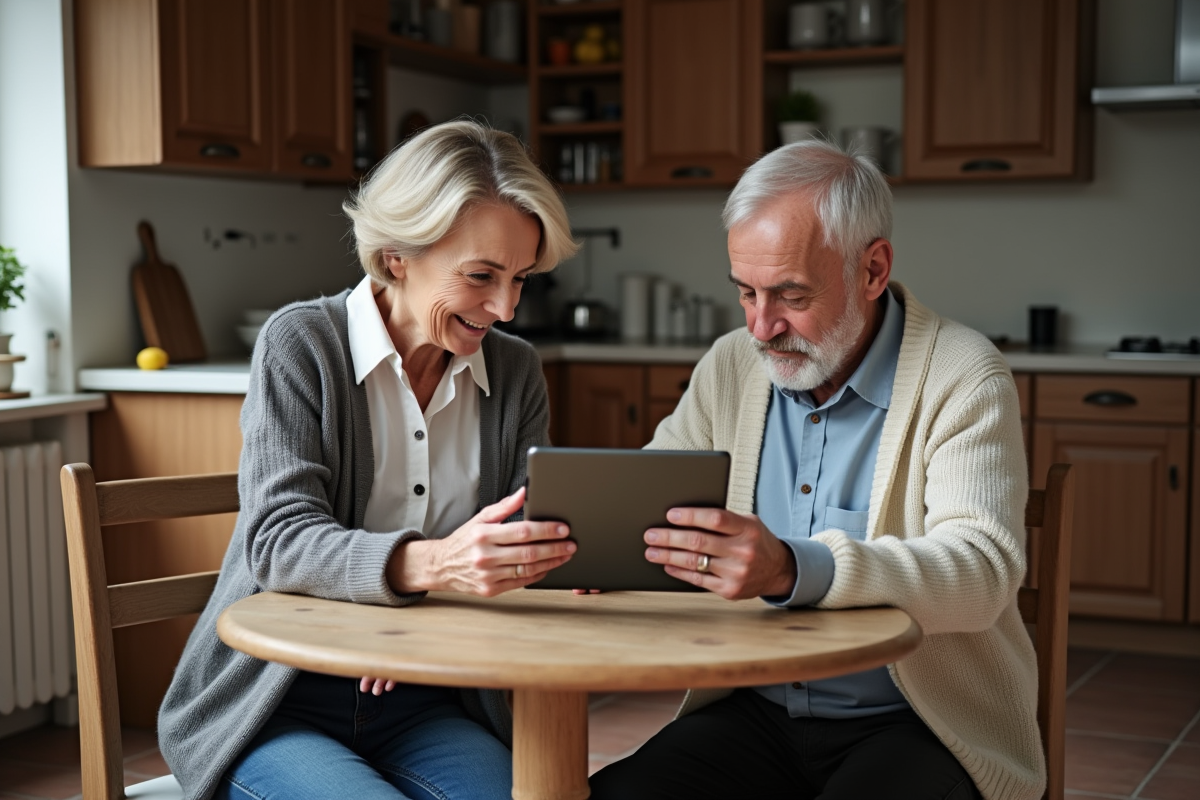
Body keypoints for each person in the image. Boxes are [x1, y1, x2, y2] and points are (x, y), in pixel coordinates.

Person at [589, 140, 1042, 800]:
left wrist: (794, 567)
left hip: (919, 726)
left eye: (790, 295)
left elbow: (982, 569)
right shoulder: (732, 364)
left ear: (873, 270)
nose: (761, 327)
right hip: (752, 712)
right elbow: (655, 491)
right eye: (745, 292)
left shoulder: (963, 375)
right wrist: (607, 543)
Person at [158, 120, 579, 800]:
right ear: (396, 256)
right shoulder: (303, 345)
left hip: (431, 696)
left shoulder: (515, 370)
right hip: (275, 702)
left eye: (521, 280)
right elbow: (278, 540)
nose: (504, 308)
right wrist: (435, 566)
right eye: (481, 276)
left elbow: (523, 532)